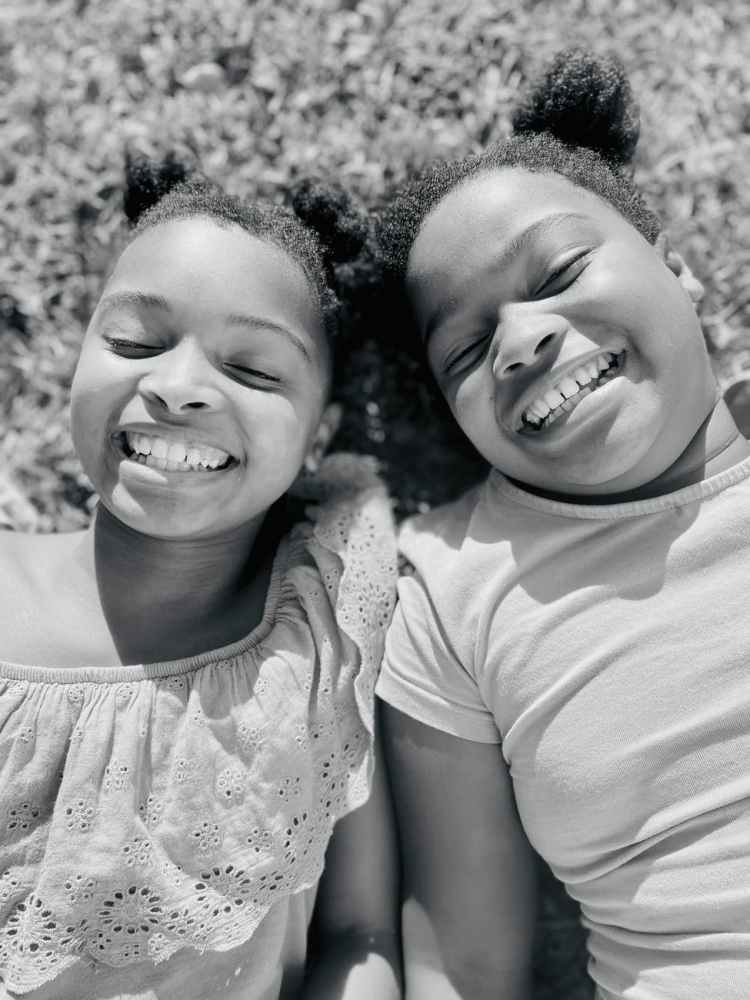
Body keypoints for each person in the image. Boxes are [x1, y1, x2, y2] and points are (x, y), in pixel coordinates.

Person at [374, 48, 750, 1000]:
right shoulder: (450, 589)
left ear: (681, 273)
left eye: (562, 269)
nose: (521, 339)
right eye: (465, 348)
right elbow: (465, 967)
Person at [0, 157, 400, 999]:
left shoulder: (324, 647)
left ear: (320, 434)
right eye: (136, 342)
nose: (177, 387)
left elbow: (359, 932)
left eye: (253, 371)